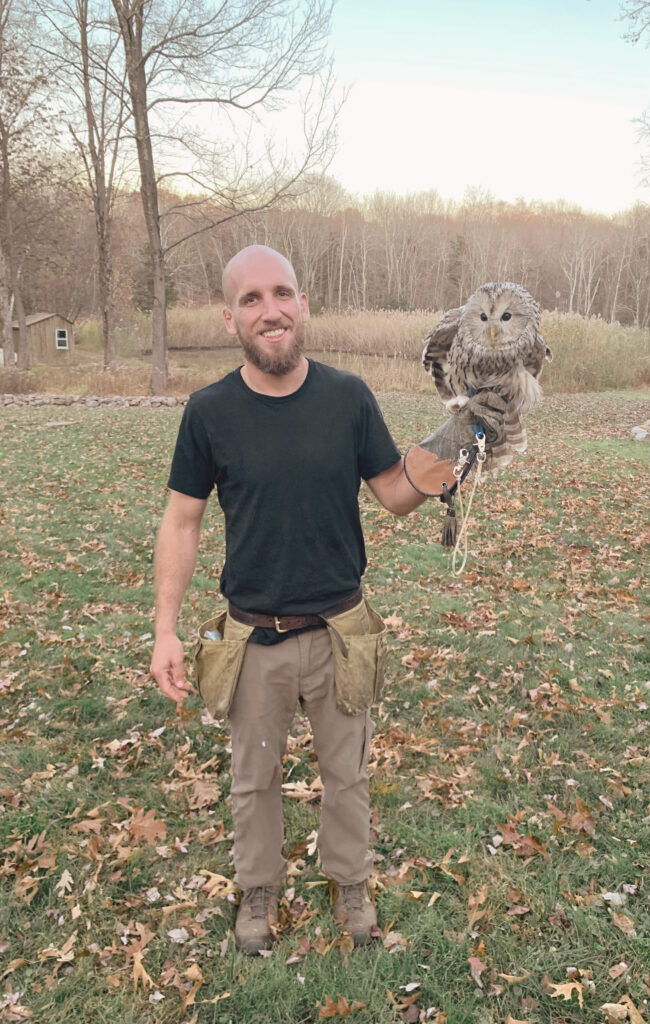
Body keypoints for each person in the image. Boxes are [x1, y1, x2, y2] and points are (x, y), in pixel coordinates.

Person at [149, 245, 506, 954]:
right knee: (254, 781)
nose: (270, 309)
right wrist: (164, 629)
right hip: (254, 638)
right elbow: (181, 520)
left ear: (303, 304)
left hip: (342, 630)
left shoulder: (347, 397)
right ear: (230, 318)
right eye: (251, 300)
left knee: (346, 777)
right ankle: (258, 890)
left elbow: (396, 493)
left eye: (282, 293)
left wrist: (464, 433)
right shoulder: (209, 412)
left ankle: (351, 885)